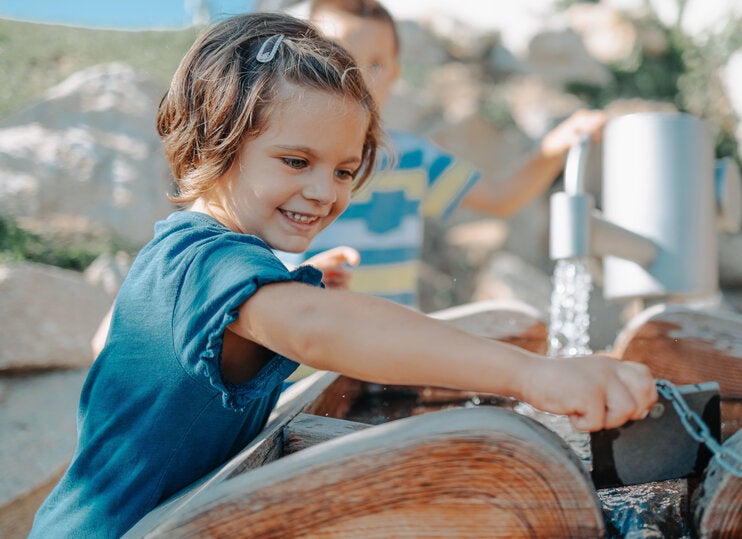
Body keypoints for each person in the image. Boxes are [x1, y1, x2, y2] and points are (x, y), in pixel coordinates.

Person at [31, 12, 657, 538]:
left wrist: (283, 294)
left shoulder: (200, 258)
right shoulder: (207, 261)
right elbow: (314, 331)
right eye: (296, 160)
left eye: (341, 170)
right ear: (208, 144)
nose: (322, 191)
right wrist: (534, 374)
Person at [276, 0, 607, 382]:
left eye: (375, 64)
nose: (358, 76)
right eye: (339, 58)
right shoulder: (288, 156)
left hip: (387, 363)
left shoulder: (412, 158)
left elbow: (500, 197)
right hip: (299, 369)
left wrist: (555, 147)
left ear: (395, 75)